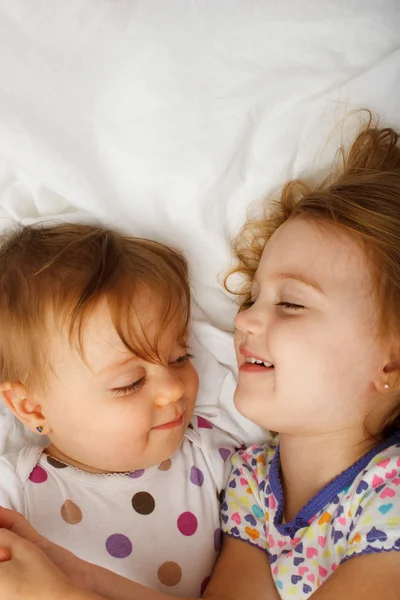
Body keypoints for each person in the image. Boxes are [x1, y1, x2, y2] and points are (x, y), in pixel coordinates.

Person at [2, 115, 400, 600]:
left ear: (393, 364)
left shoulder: (389, 489)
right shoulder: (252, 486)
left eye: (291, 304)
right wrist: (82, 577)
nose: (244, 321)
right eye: (251, 299)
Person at [0, 223, 243, 597]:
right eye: (129, 382)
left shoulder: (215, 459)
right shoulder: (14, 491)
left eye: (180, 357)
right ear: (31, 407)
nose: (174, 388)